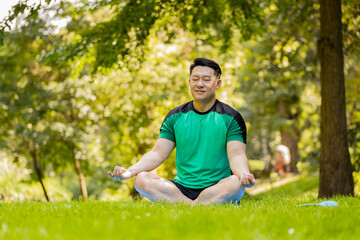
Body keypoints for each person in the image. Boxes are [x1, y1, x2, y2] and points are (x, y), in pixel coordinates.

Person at [108, 58, 255, 204]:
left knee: (236, 183)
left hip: (217, 187)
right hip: (181, 188)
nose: (200, 84)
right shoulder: (175, 117)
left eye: (206, 79)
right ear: (190, 82)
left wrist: (244, 175)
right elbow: (157, 153)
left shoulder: (231, 117)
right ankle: (198, 205)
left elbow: (236, 155)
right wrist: (130, 172)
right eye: (195, 79)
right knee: (141, 179)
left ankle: (185, 205)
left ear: (218, 83)